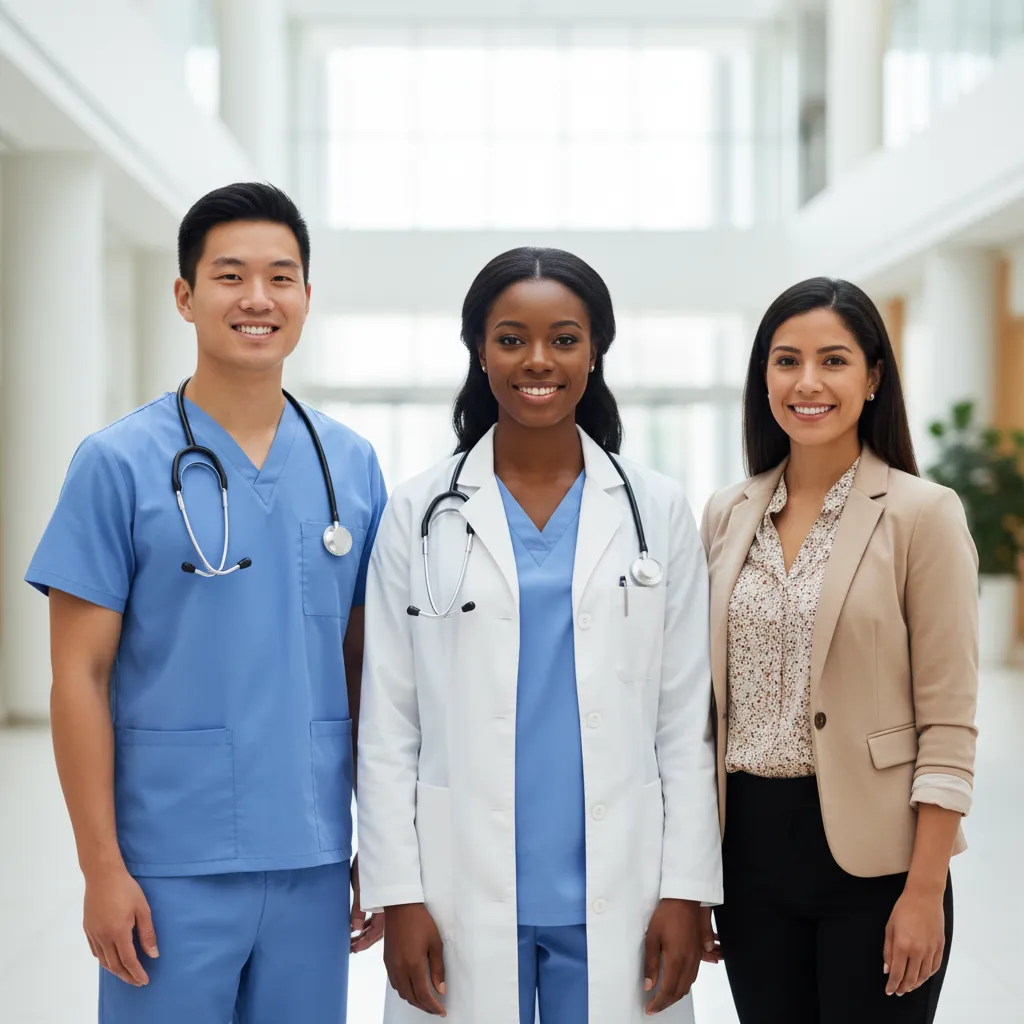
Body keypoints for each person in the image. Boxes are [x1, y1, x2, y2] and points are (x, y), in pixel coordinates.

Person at [25, 182, 386, 1024]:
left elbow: (366, 667)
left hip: (311, 853)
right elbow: (79, 677)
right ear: (185, 296)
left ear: (306, 298)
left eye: (280, 277)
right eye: (230, 276)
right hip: (167, 861)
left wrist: (382, 844)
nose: (257, 298)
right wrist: (101, 868)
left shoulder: (349, 465)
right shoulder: (116, 463)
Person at [356, 247, 722, 1024]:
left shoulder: (656, 510)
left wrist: (686, 887)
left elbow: (685, 718)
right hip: (458, 881)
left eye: (563, 339)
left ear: (595, 352)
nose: (537, 361)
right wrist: (399, 893)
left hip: (621, 882)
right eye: (511, 338)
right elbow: (389, 722)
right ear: (479, 351)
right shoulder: (417, 512)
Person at [701, 277, 978, 1023]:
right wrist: (693, 879)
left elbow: (949, 723)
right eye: (787, 360)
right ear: (763, 377)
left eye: (833, 360)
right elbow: (704, 712)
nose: (808, 383)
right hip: (748, 862)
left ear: (873, 376)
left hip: (879, 864)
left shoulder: (924, 514)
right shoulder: (726, 514)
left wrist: (924, 890)